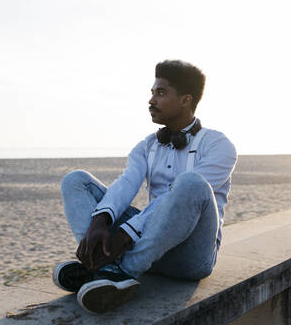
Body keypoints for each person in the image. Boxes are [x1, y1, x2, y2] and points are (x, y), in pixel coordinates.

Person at [53, 60, 237, 314]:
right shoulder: (147, 146)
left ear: (185, 100)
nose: (151, 100)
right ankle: (101, 266)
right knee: (76, 180)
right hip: (151, 247)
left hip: (193, 257)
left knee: (190, 182)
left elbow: (175, 196)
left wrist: (126, 233)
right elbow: (126, 184)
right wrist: (100, 222)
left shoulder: (218, 145)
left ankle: (120, 270)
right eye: (152, 93)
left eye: (160, 93)